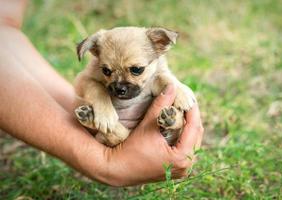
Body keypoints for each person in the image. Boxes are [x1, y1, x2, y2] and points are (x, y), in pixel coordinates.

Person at [0, 0, 204, 186]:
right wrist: (101, 159)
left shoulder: (156, 57)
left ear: (161, 43)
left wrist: (175, 88)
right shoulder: (98, 59)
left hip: (152, 127)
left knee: (173, 116)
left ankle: (169, 123)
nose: (120, 85)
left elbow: (4, 25)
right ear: (95, 53)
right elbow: (85, 82)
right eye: (108, 71)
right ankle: (111, 133)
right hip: (118, 133)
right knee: (111, 127)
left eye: (135, 70)